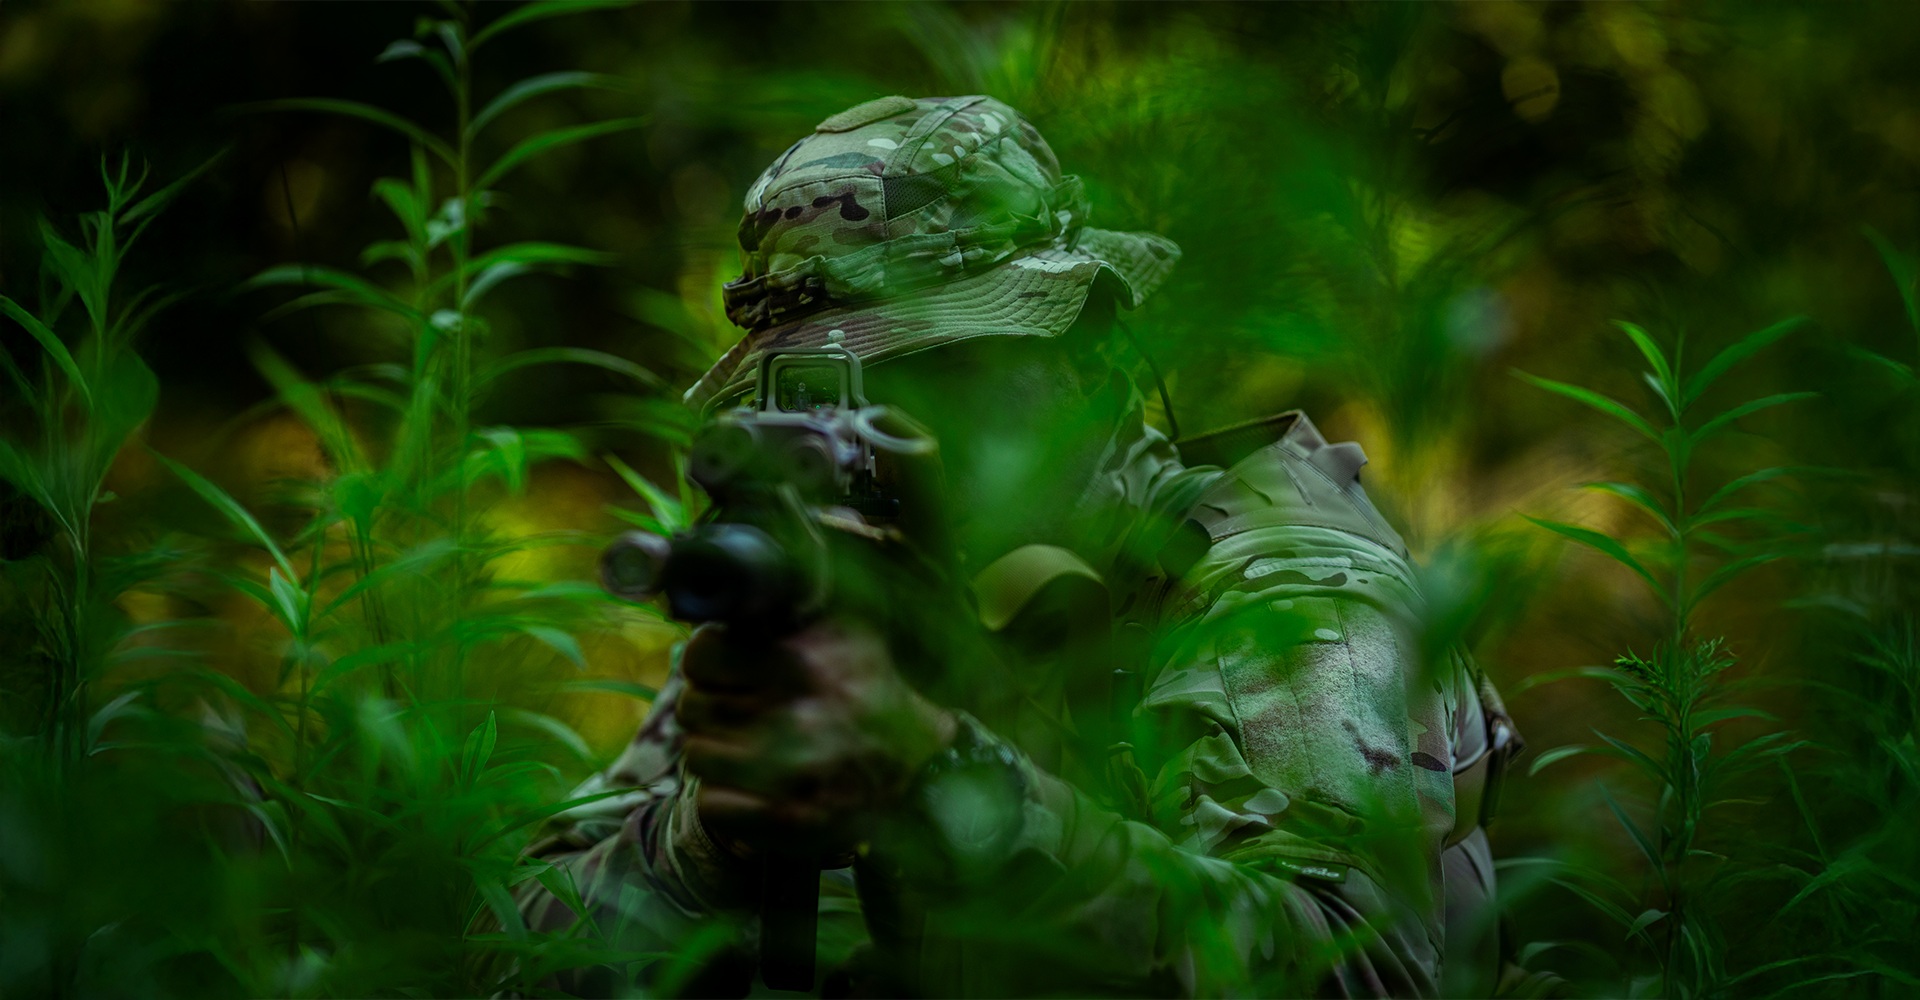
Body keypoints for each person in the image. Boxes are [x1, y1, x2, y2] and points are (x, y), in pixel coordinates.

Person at [514, 94, 1525, 998]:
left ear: (1088, 350)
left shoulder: (1286, 580)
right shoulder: (860, 577)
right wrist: (705, 844)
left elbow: (1356, 963)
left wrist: (955, 784)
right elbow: (503, 950)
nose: (876, 430)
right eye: (832, 394)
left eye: (937, 375)